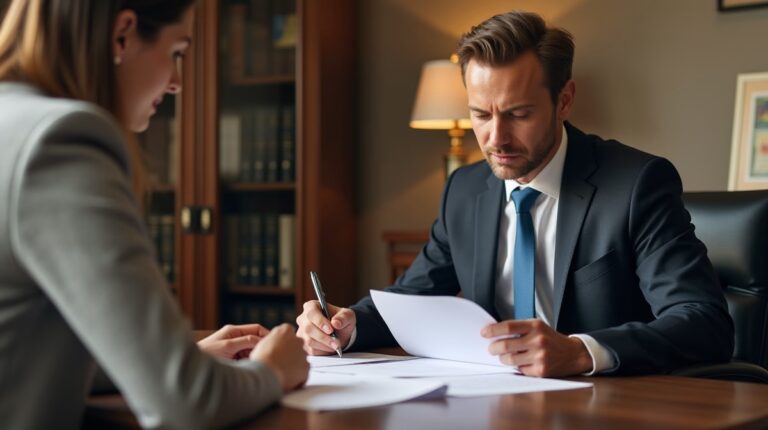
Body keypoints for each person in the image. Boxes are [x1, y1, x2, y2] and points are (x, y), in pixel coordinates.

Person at [296, 10, 734, 377]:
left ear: (564, 101)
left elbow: (702, 321)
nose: (496, 138)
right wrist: (347, 325)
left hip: (609, 407)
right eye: (480, 115)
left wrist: (581, 351)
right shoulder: (464, 191)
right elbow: (412, 300)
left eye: (518, 114)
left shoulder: (637, 184)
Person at [0, 1, 308, 428]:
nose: (178, 82)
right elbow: (186, 403)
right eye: (177, 52)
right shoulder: (60, 139)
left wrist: (178, 357)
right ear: (122, 34)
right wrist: (274, 369)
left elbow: (25, 349)